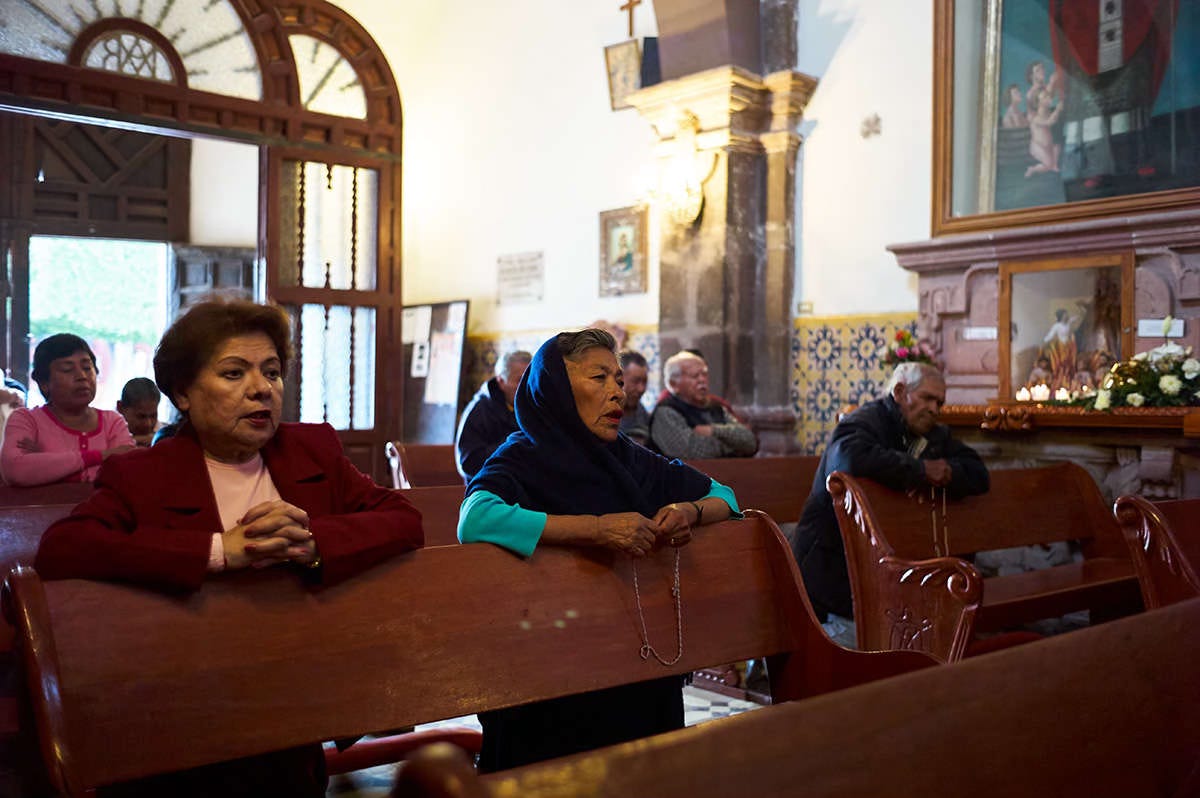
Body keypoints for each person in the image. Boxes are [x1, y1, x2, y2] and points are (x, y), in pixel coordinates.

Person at [34, 298, 424, 797]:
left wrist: (312, 542)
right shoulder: (142, 472)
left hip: (297, 707)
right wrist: (220, 551)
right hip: (181, 710)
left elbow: (403, 520)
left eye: (273, 372)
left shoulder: (313, 451)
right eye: (234, 373)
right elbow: (63, 548)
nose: (262, 388)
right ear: (184, 393)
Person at [457, 328, 739, 771]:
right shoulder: (523, 455)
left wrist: (689, 511)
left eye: (619, 381)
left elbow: (726, 496)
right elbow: (475, 519)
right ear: (556, 389)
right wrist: (596, 529)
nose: (617, 394)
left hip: (637, 664)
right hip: (548, 676)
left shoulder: (628, 456)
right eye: (599, 379)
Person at [791, 363, 989, 641]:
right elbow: (847, 459)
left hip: (887, 566)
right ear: (899, 391)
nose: (935, 409)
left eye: (940, 402)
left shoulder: (931, 434)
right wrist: (921, 471)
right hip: (831, 563)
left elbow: (979, 474)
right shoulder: (865, 421)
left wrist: (948, 471)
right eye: (928, 398)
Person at [0, 334, 135, 486]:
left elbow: (127, 474)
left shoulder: (112, 422)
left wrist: (46, 461)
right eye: (67, 369)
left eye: (87, 367)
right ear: (44, 382)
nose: (82, 376)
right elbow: (15, 470)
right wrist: (101, 456)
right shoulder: (26, 419)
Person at [649, 351, 757, 459]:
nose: (702, 380)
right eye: (694, 376)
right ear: (674, 384)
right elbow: (692, 453)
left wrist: (713, 430)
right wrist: (733, 446)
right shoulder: (666, 412)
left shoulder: (716, 408)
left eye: (704, 374)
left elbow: (750, 442)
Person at [455, 350, 531, 480]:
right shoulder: (480, 409)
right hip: (489, 487)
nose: (526, 386)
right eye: (519, 380)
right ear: (501, 381)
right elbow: (468, 463)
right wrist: (514, 445)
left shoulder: (535, 405)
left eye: (529, 379)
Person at [617, 349, 651, 445]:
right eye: (635, 381)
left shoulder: (641, 411)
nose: (641, 389)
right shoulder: (603, 414)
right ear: (618, 379)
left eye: (645, 382)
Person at [117, 377, 162, 447]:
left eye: (153, 416)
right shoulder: (106, 434)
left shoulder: (165, 435)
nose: (148, 424)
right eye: (141, 417)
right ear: (120, 407)